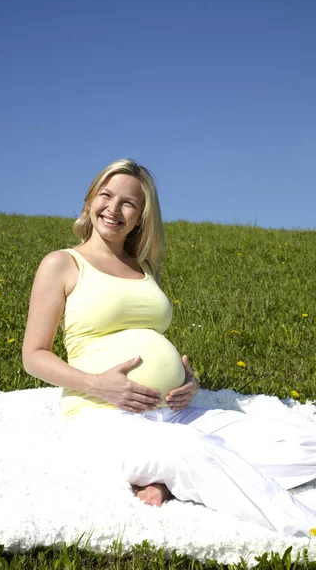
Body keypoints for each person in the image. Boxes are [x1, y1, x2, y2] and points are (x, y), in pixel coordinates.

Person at [22, 159, 316, 536]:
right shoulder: (62, 263)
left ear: (141, 217)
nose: (114, 209)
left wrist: (188, 380)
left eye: (128, 203)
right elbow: (34, 356)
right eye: (106, 195)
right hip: (103, 415)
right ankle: (303, 526)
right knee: (196, 451)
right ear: (89, 200)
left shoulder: (144, 268)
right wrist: (100, 384)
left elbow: (150, 335)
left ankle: (167, 477)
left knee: (302, 444)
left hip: (175, 411)